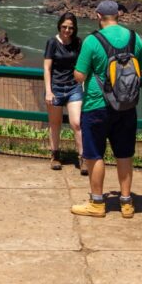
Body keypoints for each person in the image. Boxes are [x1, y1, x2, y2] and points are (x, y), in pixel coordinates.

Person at [71, 0, 142, 219]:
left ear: (98, 15)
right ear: (119, 15)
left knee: (94, 154)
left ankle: (97, 203)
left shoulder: (92, 41)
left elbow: (80, 75)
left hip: (97, 104)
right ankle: (126, 202)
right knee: (124, 154)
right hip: (127, 105)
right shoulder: (134, 38)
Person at [43, 12, 84, 172]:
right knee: (55, 123)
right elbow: (47, 67)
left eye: (70, 28)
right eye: (64, 27)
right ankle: (55, 155)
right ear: (59, 26)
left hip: (73, 87)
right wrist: (48, 91)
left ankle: (83, 158)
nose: (67, 30)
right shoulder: (52, 42)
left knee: (77, 123)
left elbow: (82, 64)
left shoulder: (78, 43)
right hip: (55, 88)